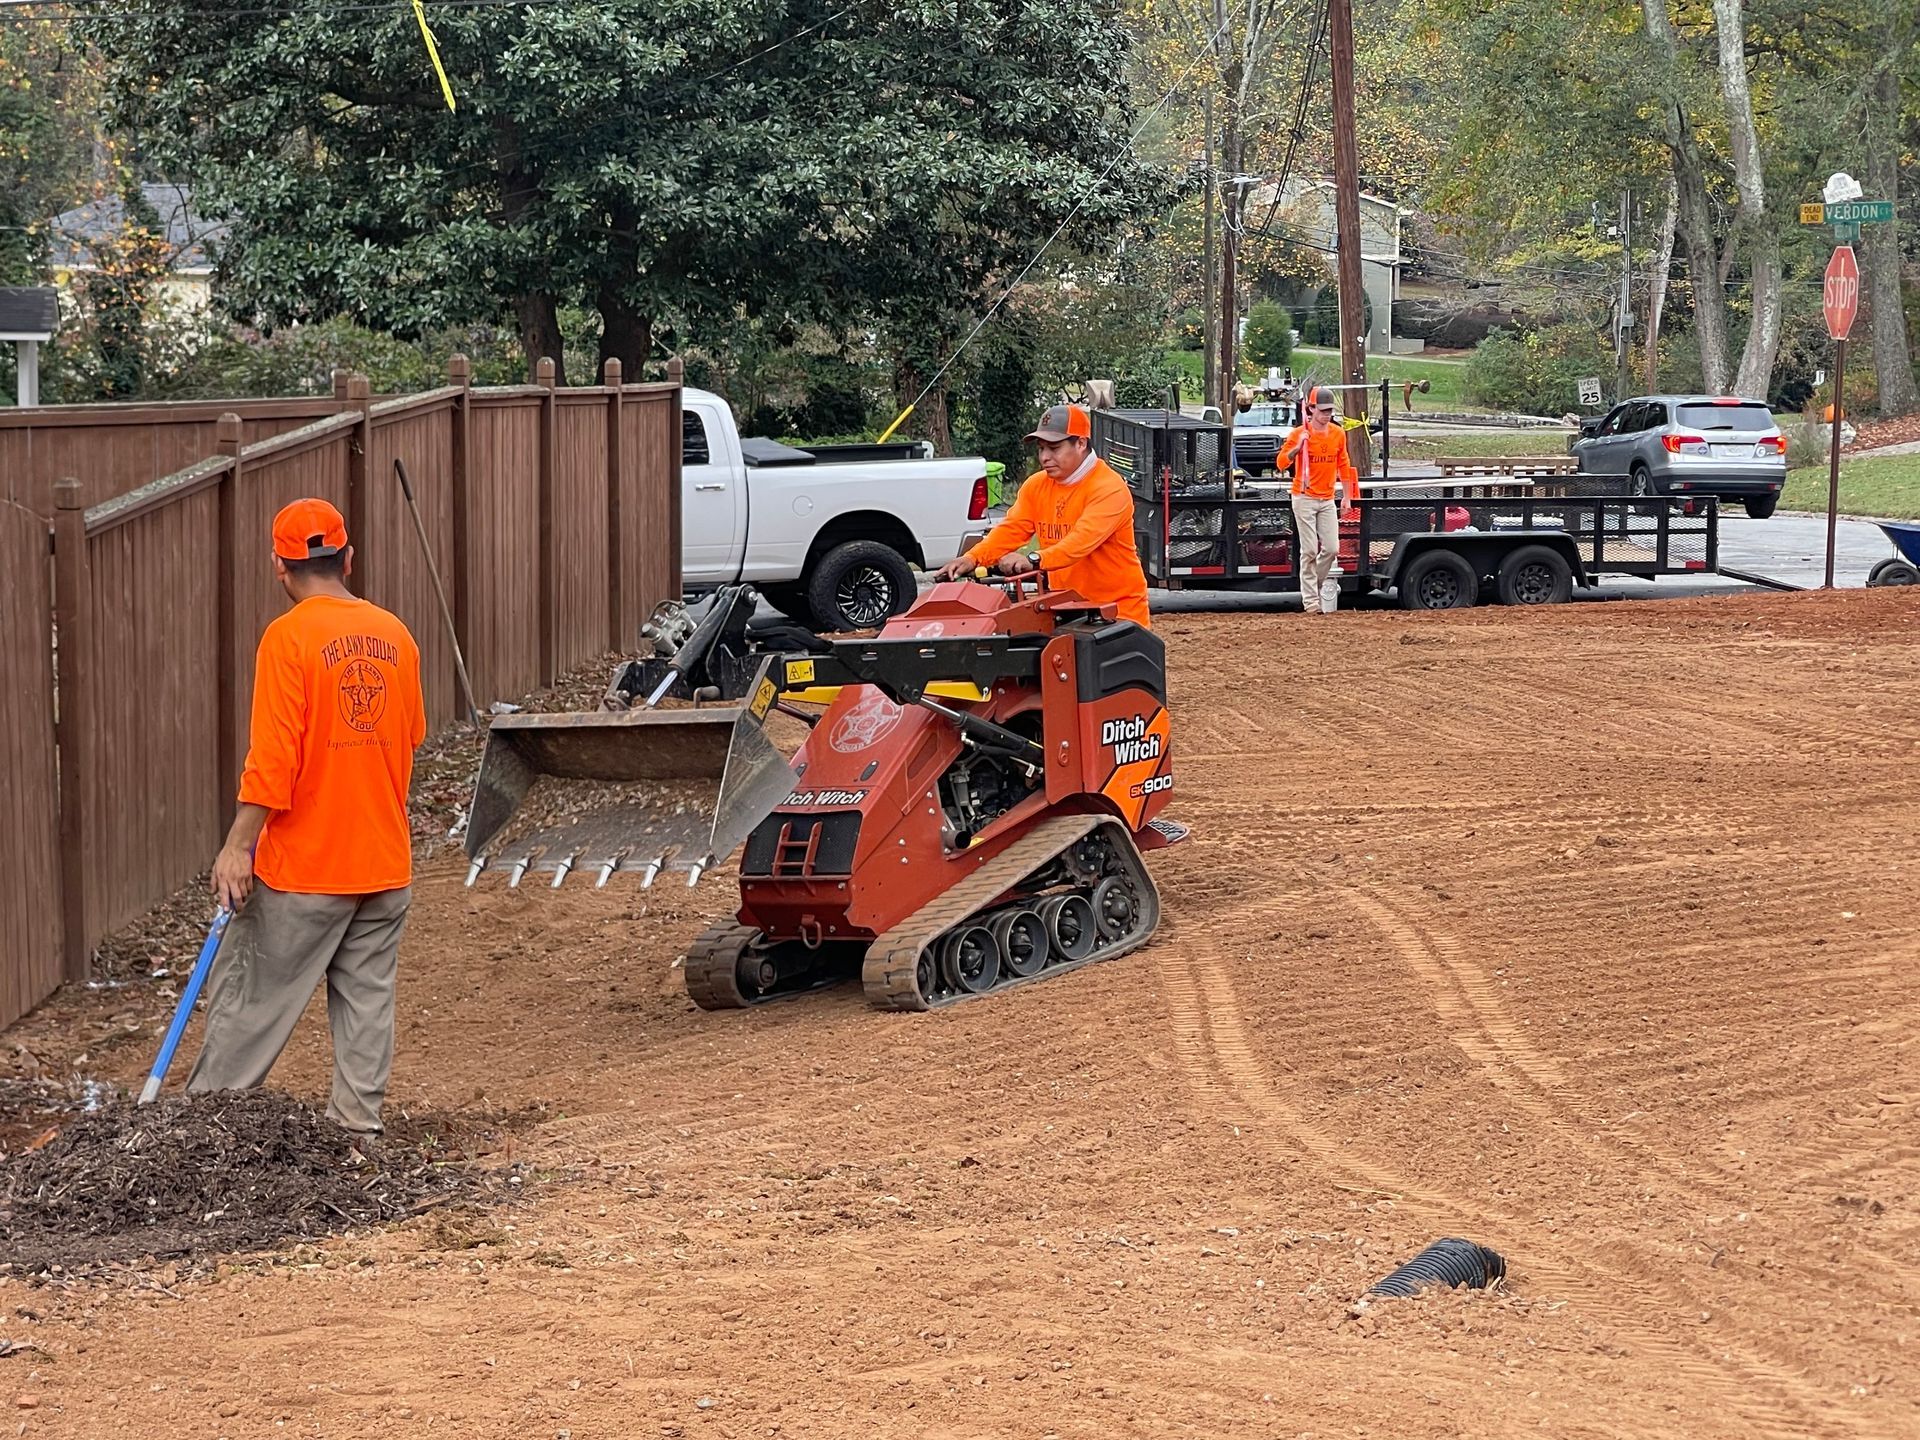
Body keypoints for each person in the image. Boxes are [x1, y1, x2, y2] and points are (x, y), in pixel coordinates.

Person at [187, 498, 426, 1136]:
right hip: (383, 864)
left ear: (279, 566)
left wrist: (239, 847)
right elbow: (410, 737)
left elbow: (271, 761)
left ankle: (198, 1140)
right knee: (367, 1002)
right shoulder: (397, 635)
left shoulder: (288, 639)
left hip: (306, 870)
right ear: (348, 558)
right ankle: (357, 1132)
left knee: (249, 1004)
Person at [935, 403, 1152, 628]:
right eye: (1041, 449)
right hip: (1066, 608)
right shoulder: (1036, 486)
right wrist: (972, 558)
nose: (1045, 457)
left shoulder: (1109, 488)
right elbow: (1011, 530)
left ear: (1080, 443)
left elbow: (1079, 543)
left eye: (1054, 448)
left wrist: (1033, 560)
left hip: (1116, 614)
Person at [1278, 385, 1363, 615]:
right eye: (1323, 410)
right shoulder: (1298, 433)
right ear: (1311, 409)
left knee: (1332, 548)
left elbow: (1343, 465)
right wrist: (1298, 447)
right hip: (1304, 496)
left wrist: (1346, 497)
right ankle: (1311, 603)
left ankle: (1312, 585)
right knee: (1308, 551)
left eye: (1329, 411)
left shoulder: (1337, 433)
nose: (1327, 415)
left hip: (1326, 498)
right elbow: (1281, 462)